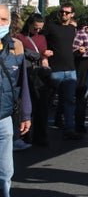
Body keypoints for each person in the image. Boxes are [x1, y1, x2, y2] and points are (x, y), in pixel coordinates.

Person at [0, 4, 31, 197]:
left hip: (5, 120)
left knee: (4, 175)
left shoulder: (16, 47)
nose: (0, 23)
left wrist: (25, 114)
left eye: (3, 19)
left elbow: (23, 84)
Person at [43, 3, 81, 139]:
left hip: (70, 69)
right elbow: (41, 40)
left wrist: (79, 51)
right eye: (61, 12)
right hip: (55, 70)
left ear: (72, 14)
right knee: (47, 100)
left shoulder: (73, 29)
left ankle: (69, 128)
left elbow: (75, 47)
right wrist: (44, 54)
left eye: (66, 12)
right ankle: (40, 129)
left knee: (69, 100)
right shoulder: (51, 27)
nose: (63, 14)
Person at [16, 13, 52, 147]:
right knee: (25, 106)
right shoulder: (20, 37)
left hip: (39, 74)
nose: (38, 31)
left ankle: (40, 135)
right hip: (26, 73)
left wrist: (46, 56)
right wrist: (38, 55)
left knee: (41, 106)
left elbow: (44, 54)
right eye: (35, 28)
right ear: (29, 25)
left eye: (40, 28)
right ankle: (24, 136)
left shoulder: (42, 37)